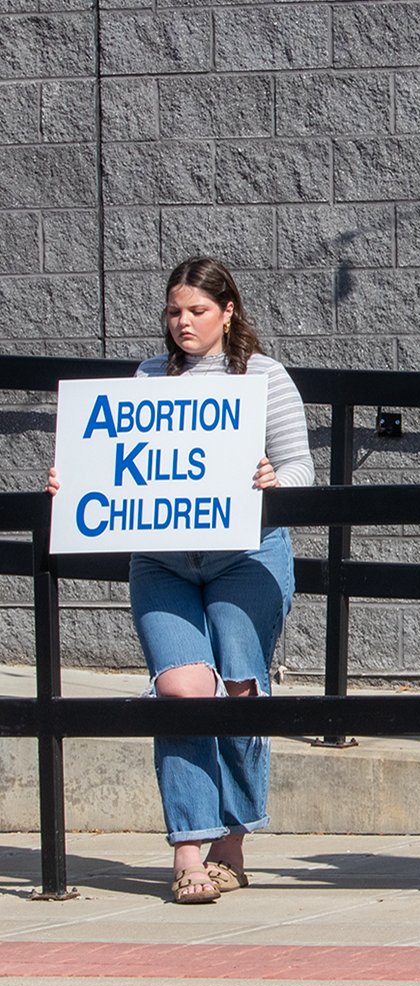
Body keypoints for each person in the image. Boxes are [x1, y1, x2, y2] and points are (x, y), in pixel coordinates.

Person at [48, 258, 313, 904]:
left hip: (247, 556)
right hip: (163, 561)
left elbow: (302, 470)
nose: (183, 322)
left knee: (240, 687)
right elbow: (115, 463)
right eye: (174, 311)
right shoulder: (148, 379)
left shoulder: (264, 376)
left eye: (197, 310)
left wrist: (275, 481)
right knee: (182, 690)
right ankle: (189, 848)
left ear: (228, 311)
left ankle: (232, 844)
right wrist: (73, 483)